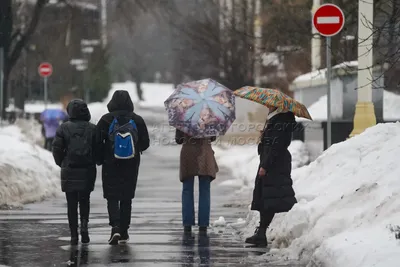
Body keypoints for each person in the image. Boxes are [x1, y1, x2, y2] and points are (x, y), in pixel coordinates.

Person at [96, 90, 150, 245]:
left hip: (110, 163)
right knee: (126, 196)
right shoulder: (137, 119)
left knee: (112, 196)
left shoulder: (106, 120)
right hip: (131, 163)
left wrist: (100, 158)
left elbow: (97, 141)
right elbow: (145, 143)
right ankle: (125, 230)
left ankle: (115, 227)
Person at [245, 106, 297, 247]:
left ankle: (261, 233)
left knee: (271, 198)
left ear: (277, 106)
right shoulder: (276, 119)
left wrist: (265, 166)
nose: (267, 106)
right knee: (266, 198)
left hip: (274, 164)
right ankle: (261, 233)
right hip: (272, 162)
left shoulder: (280, 121)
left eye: (270, 104)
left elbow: (277, 146)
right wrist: (265, 135)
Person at [52, 99, 97, 245]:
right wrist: (94, 161)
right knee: (85, 200)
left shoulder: (63, 128)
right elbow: (98, 149)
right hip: (87, 170)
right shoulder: (93, 128)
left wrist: (62, 163)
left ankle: (73, 235)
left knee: (71, 204)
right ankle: (84, 228)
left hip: (69, 169)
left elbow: (57, 149)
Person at [175, 129, 219, 234]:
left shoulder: (182, 116)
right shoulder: (210, 115)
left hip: (187, 155)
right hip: (205, 154)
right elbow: (213, 137)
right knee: (205, 191)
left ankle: (187, 224)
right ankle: (203, 225)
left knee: (187, 190)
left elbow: (178, 139)